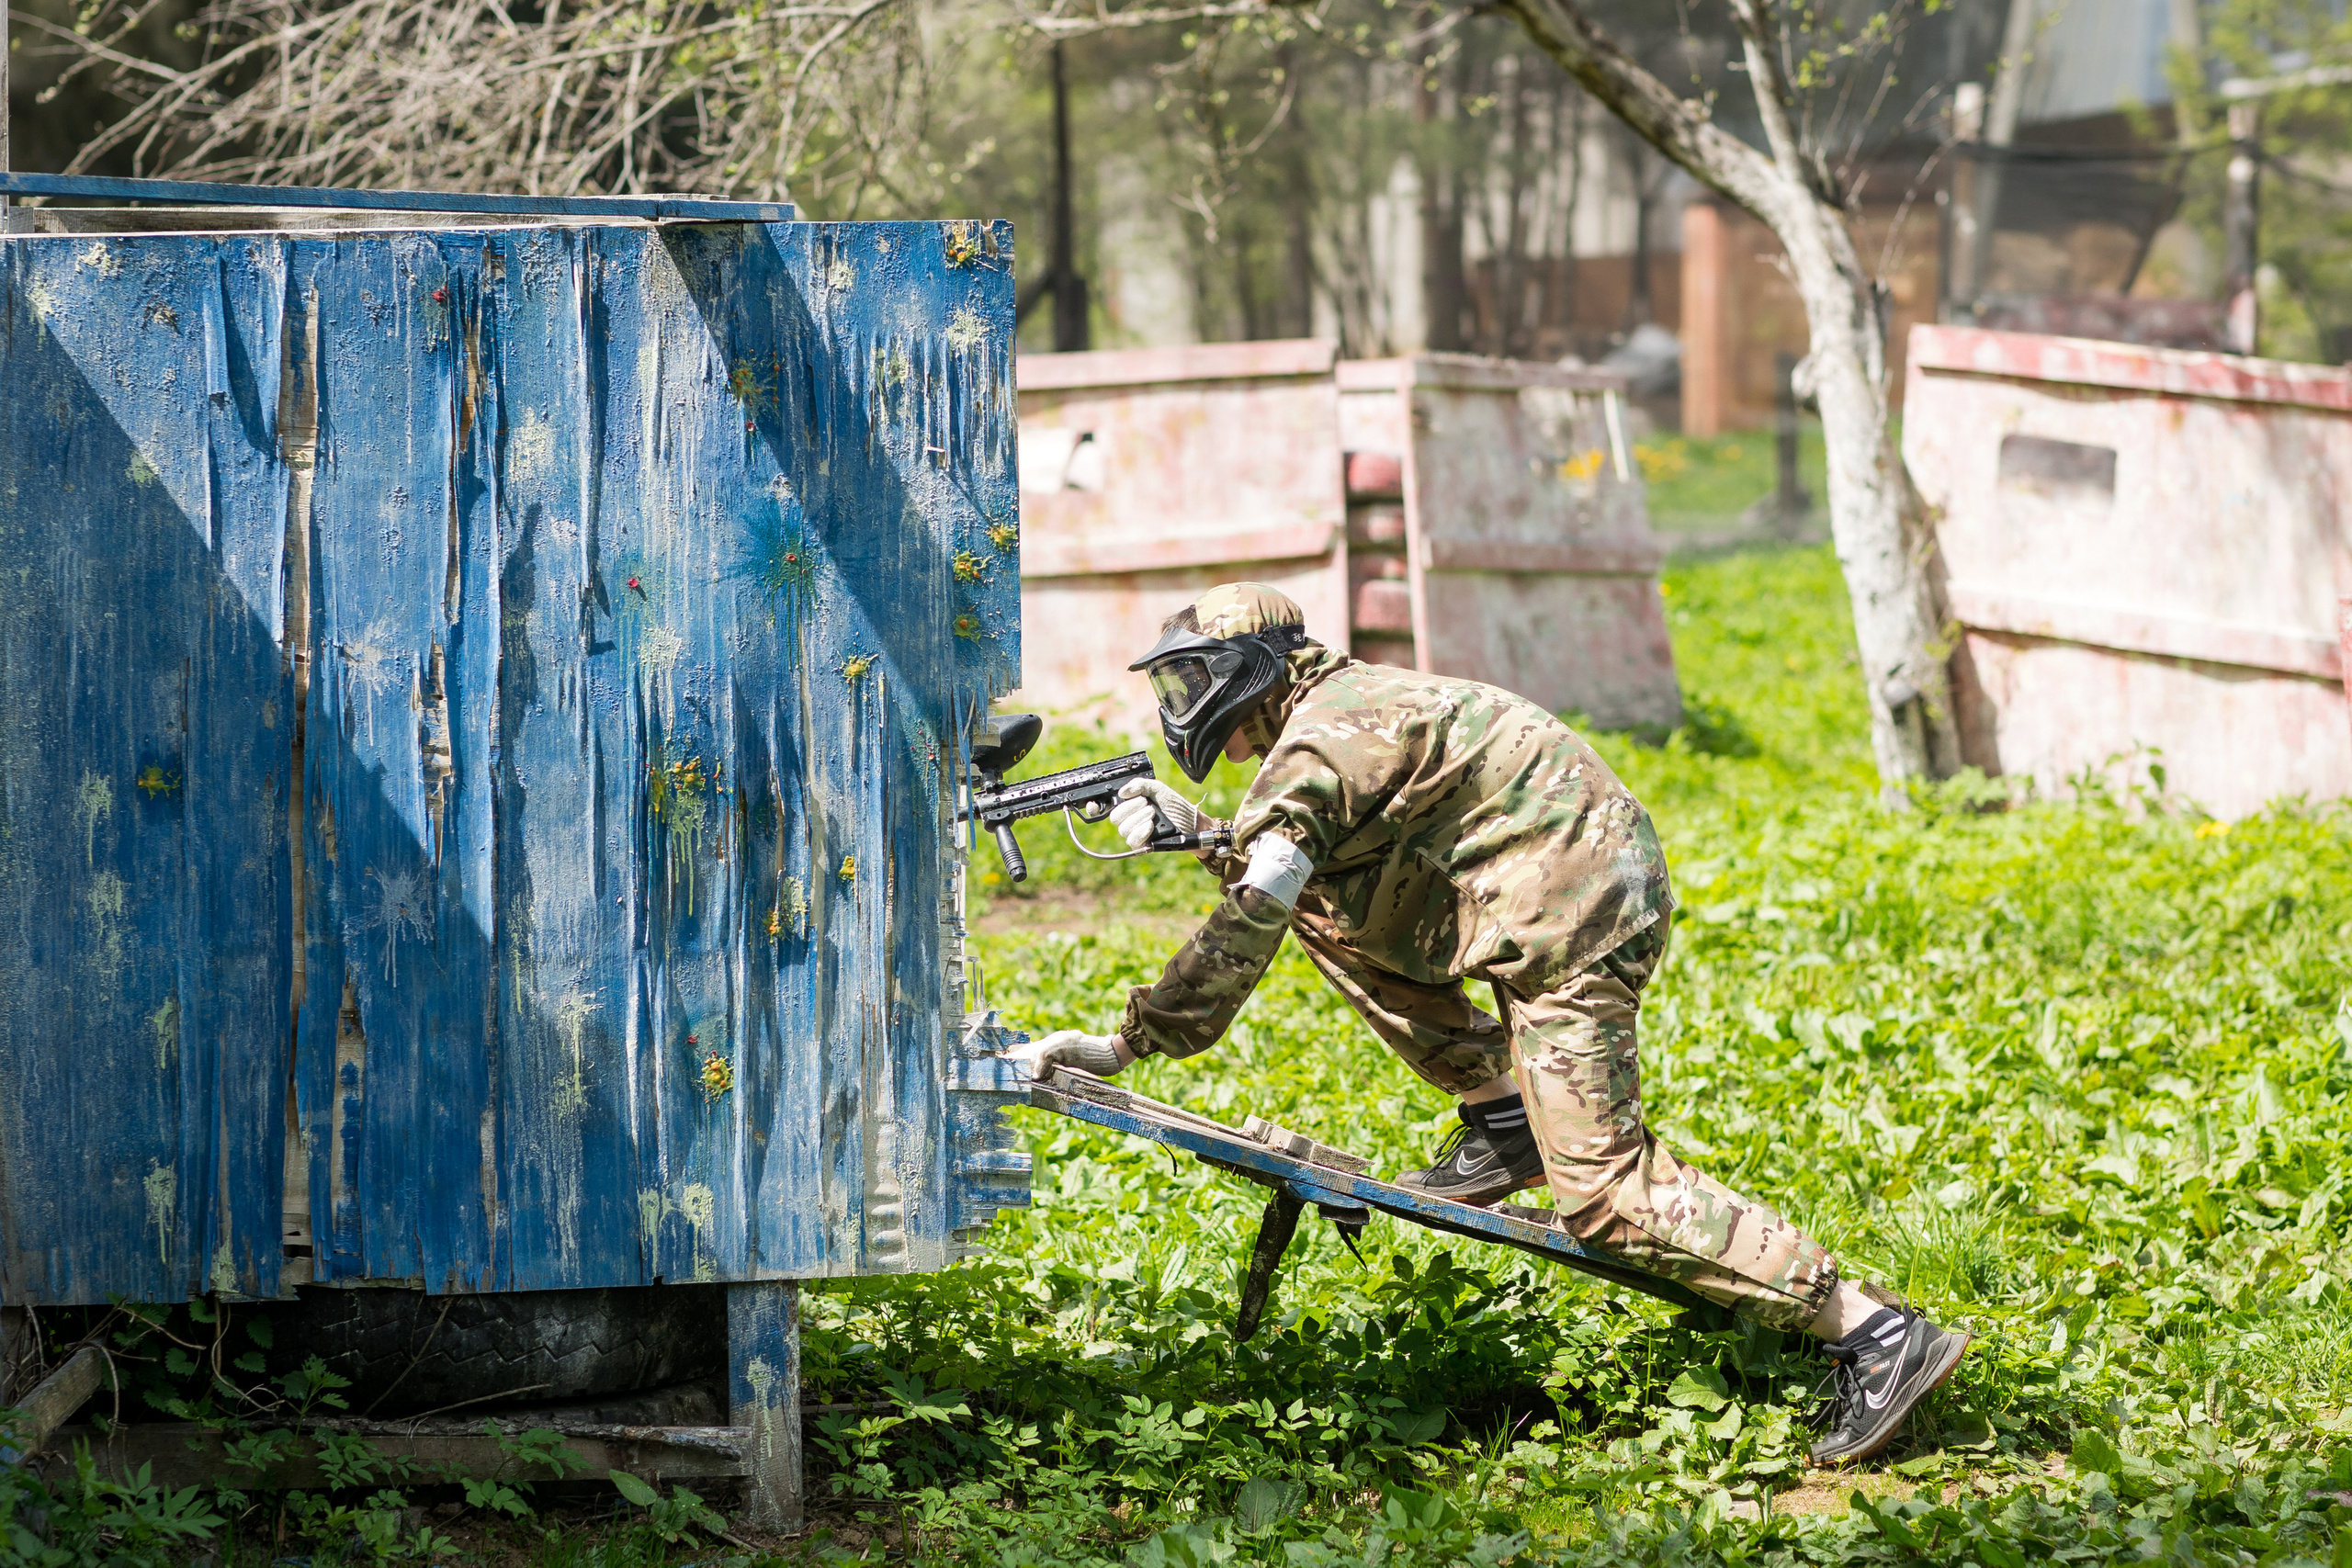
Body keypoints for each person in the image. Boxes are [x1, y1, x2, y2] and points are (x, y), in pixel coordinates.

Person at [1005, 583, 1968, 1465]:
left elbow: (1253, 912)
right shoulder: (1339, 711)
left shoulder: (1320, 739)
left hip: (1572, 920)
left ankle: (1873, 1332)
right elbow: (1310, 872)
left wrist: (1130, 1041)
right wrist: (1210, 837)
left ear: (1255, 669)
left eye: (1196, 678)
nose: (1187, 702)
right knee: (1320, 910)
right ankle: (1502, 1118)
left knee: (1604, 1197)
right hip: (1542, 889)